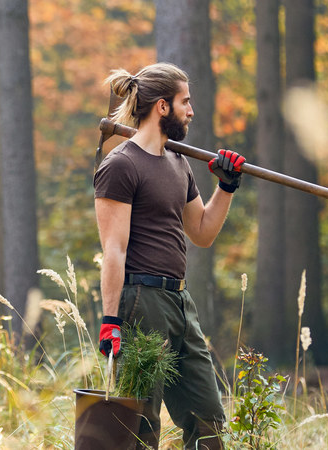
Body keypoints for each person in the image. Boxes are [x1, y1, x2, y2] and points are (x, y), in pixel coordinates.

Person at [92, 63, 245, 450]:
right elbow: (114, 249)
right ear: (162, 106)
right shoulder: (121, 165)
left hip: (179, 301)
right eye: (185, 102)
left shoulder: (178, 163)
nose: (191, 111)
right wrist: (110, 321)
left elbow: (202, 232)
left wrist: (226, 186)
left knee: (207, 418)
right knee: (141, 427)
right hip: (142, 303)